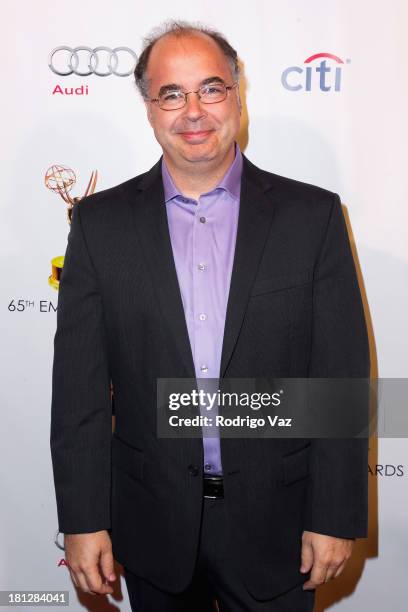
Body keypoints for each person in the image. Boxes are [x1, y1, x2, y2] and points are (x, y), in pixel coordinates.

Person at [50, 21, 369, 611]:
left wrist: (335, 512)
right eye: (172, 94)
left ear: (238, 94)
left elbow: (340, 380)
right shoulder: (98, 226)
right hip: (151, 525)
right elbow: (79, 395)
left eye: (211, 89)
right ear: (149, 108)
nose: (192, 111)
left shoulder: (312, 217)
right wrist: (84, 518)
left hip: (281, 527)